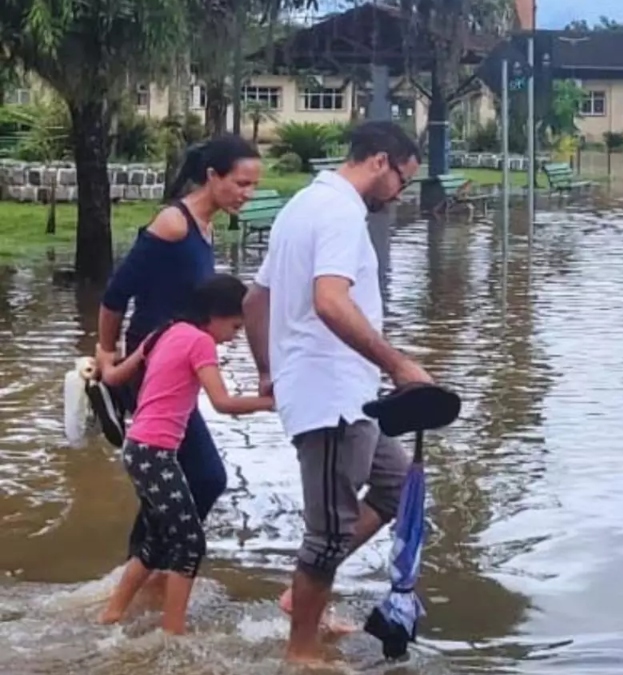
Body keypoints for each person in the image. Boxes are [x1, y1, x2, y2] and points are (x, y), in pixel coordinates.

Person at [241, 120, 433, 664]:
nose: (400, 192)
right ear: (379, 162)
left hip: (349, 395)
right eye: (403, 180)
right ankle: (301, 652)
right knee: (327, 535)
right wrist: (397, 364)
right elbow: (329, 301)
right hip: (330, 399)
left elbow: (257, 301)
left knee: (396, 488)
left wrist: (267, 371)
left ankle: (301, 599)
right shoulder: (341, 214)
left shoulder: (303, 204)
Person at [95, 134, 262, 602]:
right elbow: (116, 293)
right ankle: (150, 566)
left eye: (253, 185)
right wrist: (106, 352)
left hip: (178, 362)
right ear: (213, 176)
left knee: (188, 475)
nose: (246, 193)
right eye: (241, 183)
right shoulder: (174, 222)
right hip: (151, 365)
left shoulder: (207, 227)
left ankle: (145, 568)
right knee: (205, 476)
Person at [97, 275, 275, 634]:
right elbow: (223, 403)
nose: (235, 335)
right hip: (156, 454)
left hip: (137, 449)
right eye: (235, 326)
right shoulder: (200, 342)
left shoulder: (163, 332)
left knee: (157, 540)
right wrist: (273, 403)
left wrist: (101, 359)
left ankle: (112, 615)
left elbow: (114, 377)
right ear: (215, 315)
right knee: (190, 543)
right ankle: (173, 633)